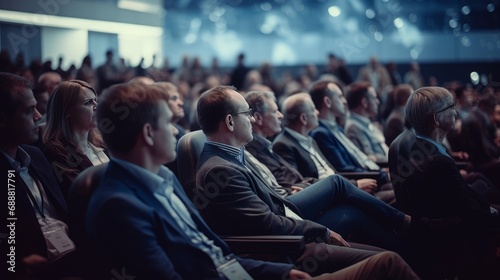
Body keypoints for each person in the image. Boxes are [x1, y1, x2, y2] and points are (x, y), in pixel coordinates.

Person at [86, 82, 419, 279]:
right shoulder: (118, 206)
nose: (176, 129)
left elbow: (217, 249)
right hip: (262, 262)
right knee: (388, 264)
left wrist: (279, 273)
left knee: (383, 254)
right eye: (165, 123)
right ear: (148, 132)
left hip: (255, 268)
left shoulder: (165, 182)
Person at [195, 85, 416, 276]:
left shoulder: (231, 156)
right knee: (389, 260)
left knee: (354, 214)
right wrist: (322, 232)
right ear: (230, 122)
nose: (253, 119)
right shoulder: (219, 170)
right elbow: (269, 224)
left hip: (290, 225)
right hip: (287, 249)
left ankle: (415, 244)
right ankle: (416, 241)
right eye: (247, 113)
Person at [392, 86, 500, 279]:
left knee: (480, 185)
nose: (456, 111)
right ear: (436, 119)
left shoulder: (416, 146)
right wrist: (493, 212)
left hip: (434, 228)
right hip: (449, 238)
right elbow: (472, 212)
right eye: (451, 106)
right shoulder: (438, 160)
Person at [0, 73, 79, 279]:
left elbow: (63, 212)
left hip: (71, 252)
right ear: (2, 120)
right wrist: (15, 265)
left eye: (36, 107)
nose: (38, 116)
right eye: (29, 111)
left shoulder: (35, 155)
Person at [307, 81, 394, 202]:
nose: (344, 101)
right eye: (339, 96)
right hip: (361, 185)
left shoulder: (336, 127)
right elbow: (343, 168)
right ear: (327, 102)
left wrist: (379, 171)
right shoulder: (320, 133)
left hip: (370, 177)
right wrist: (381, 176)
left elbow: (358, 157)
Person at [42, 80, 108, 198]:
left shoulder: (100, 142)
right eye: (88, 102)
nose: (96, 106)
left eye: (95, 100)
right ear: (67, 111)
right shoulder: (55, 150)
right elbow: (82, 195)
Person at [344, 82, 389, 162]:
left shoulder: (368, 123)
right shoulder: (353, 127)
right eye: (374, 98)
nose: (377, 102)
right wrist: (394, 159)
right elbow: (370, 157)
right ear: (364, 102)